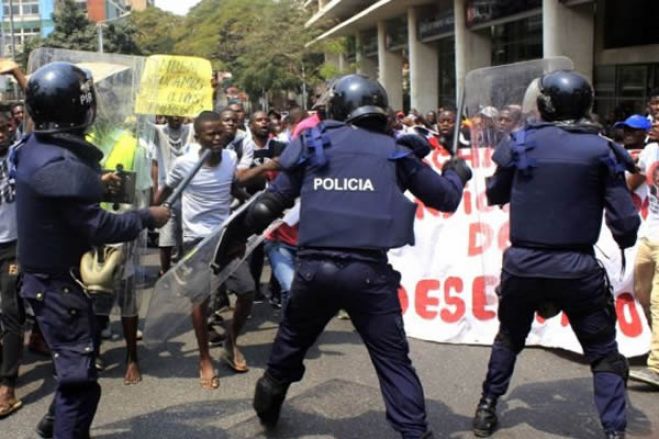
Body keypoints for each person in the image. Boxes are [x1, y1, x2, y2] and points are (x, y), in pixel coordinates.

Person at [236, 74, 471, 438]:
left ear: (339, 106)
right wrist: (456, 174)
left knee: (291, 343)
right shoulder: (397, 151)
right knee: (394, 363)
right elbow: (446, 199)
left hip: (314, 272)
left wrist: (243, 234)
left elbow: (268, 205)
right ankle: (415, 432)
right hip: (369, 276)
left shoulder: (313, 142)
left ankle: (269, 399)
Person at [473, 71, 640, 439]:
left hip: (523, 265)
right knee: (602, 352)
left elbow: (496, 194)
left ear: (544, 104)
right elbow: (625, 222)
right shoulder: (600, 149)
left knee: (509, 338)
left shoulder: (519, 142)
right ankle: (614, 431)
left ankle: (486, 408)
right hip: (576, 267)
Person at [13, 62, 170, 439]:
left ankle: (52, 423)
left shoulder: (33, 147)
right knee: (80, 384)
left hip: (52, 282)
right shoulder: (59, 164)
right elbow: (98, 226)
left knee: (76, 361)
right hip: (60, 288)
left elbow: (59, 193)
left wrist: (94, 184)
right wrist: (147, 217)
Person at [154, 111, 273, 385]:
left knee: (247, 290)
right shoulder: (184, 164)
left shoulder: (230, 157)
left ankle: (230, 344)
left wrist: (251, 203)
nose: (218, 137)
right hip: (197, 240)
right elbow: (166, 191)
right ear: (198, 137)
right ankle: (204, 358)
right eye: (211, 134)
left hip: (225, 237)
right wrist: (154, 212)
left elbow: (231, 186)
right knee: (201, 300)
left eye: (221, 132)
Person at [627, 117, 659, 388]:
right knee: (642, 292)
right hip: (649, 235)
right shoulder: (650, 151)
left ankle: (657, 367)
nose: (654, 124)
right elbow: (630, 183)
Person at [152, 115, 195, 275]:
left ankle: (185, 271)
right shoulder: (158, 131)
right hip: (167, 193)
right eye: (172, 112)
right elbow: (143, 123)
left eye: (180, 112)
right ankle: (165, 271)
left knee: (187, 235)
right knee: (166, 237)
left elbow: (202, 118)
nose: (176, 116)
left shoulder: (191, 130)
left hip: (189, 192)